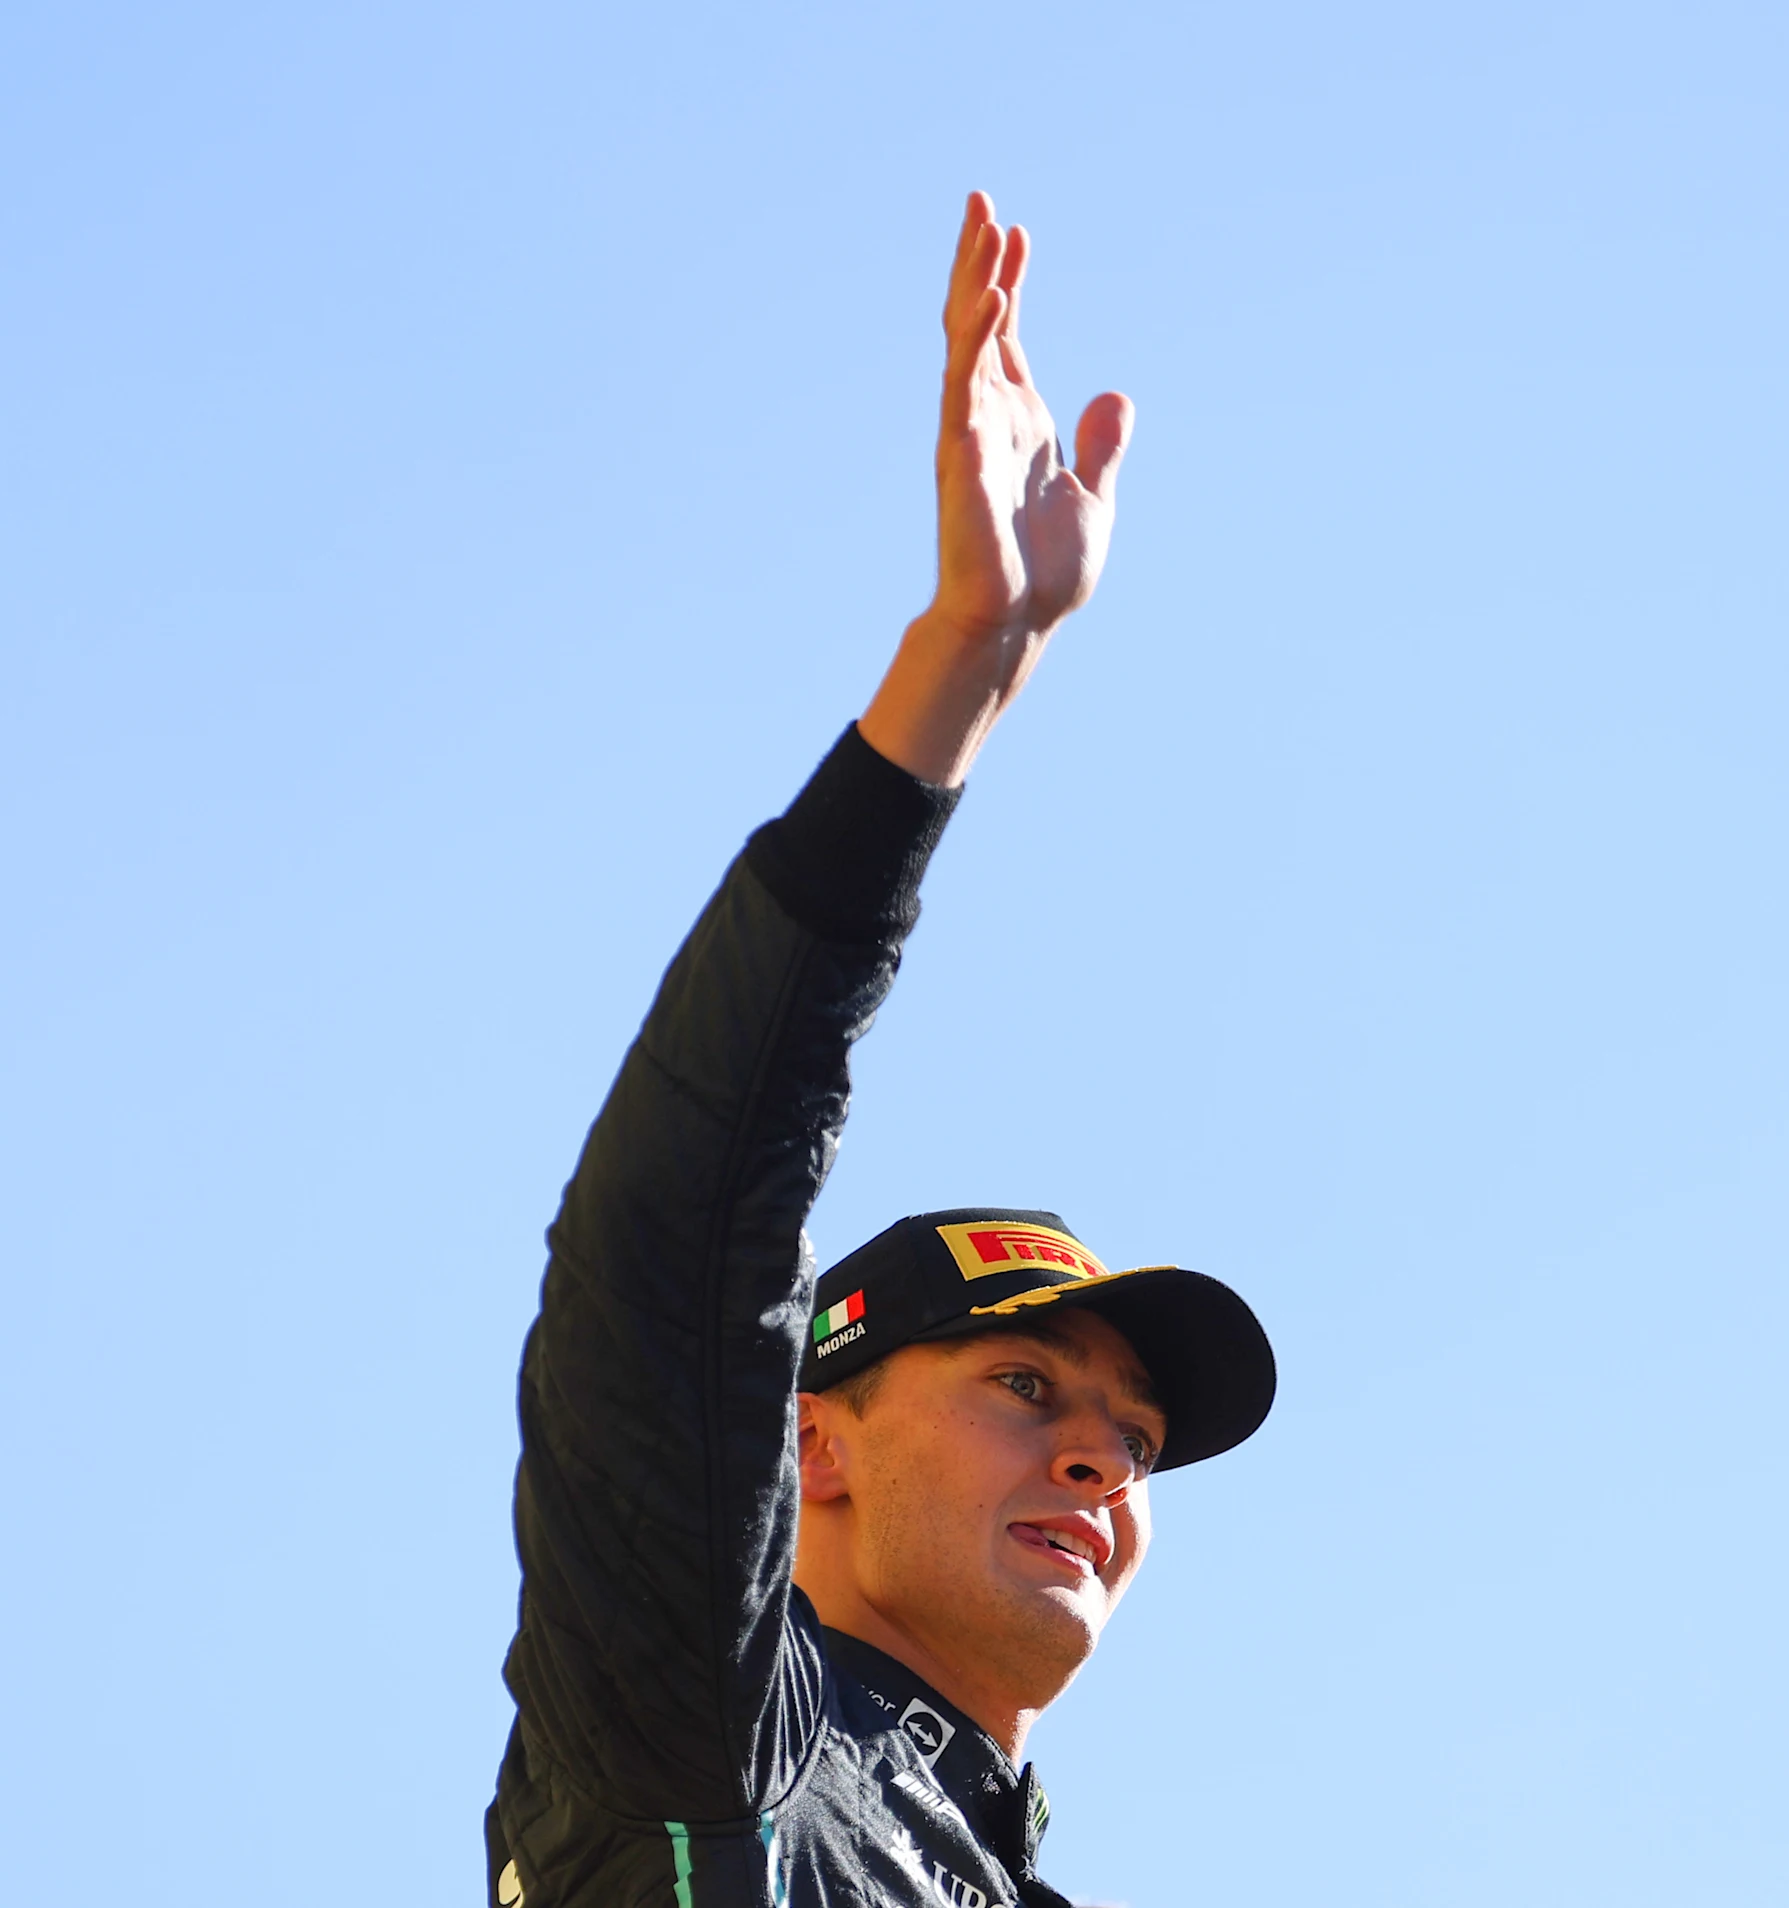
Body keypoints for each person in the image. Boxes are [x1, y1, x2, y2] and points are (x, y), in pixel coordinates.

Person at [483, 190, 1277, 1908]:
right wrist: (946, 687)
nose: (1101, 1460)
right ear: (813, 1450)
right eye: (1023, 1386)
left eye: (1134, 1437)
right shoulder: (711, 1756)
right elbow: (677, 1249)